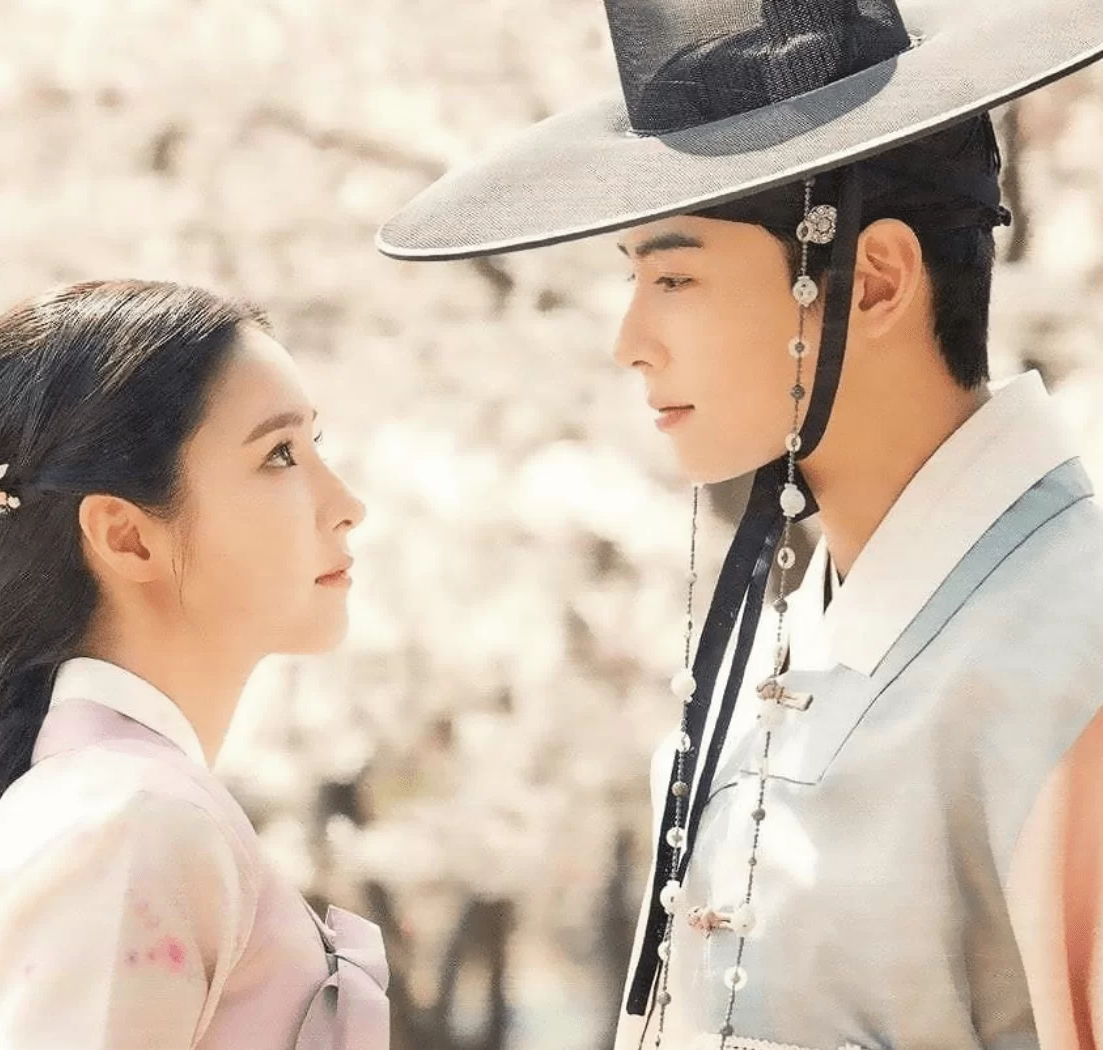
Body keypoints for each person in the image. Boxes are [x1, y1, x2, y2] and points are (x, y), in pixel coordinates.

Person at [377, 2, 1103, 1048]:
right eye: (633, 277)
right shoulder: (787, 639)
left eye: (675, 275)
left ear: (875, 282)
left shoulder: (1072, 655)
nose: (630, 339)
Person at [0, 279, 388, 1050]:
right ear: (126, 537)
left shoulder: (123, 807)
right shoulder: (129, 822)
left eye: (315, 446)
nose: (346, 503)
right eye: (279, 454)